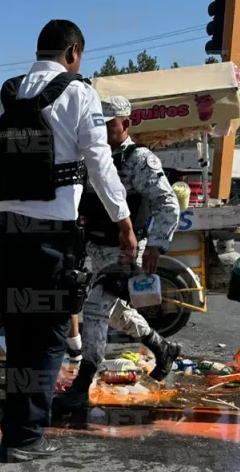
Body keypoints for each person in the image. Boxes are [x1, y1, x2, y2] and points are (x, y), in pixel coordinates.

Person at [0, 19, 138, 461]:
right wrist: (123, 220)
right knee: (47, 337)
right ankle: (26, 438)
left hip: (7, 235)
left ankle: (15, 430)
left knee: (20, 334)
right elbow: (100, 164)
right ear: (74, 52)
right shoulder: (79, 94)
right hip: (52, 238)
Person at [55, 95, 183, 421]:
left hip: (125, 249)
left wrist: (156, 245)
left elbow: (167, 203)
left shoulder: (140, 160)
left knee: (96, 307)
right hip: (94, 248)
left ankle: (81, 387)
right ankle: (162, 347)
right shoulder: (91, 155)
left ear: (126, 122)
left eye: (107, 123)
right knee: (115, 312)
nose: (100, 129)